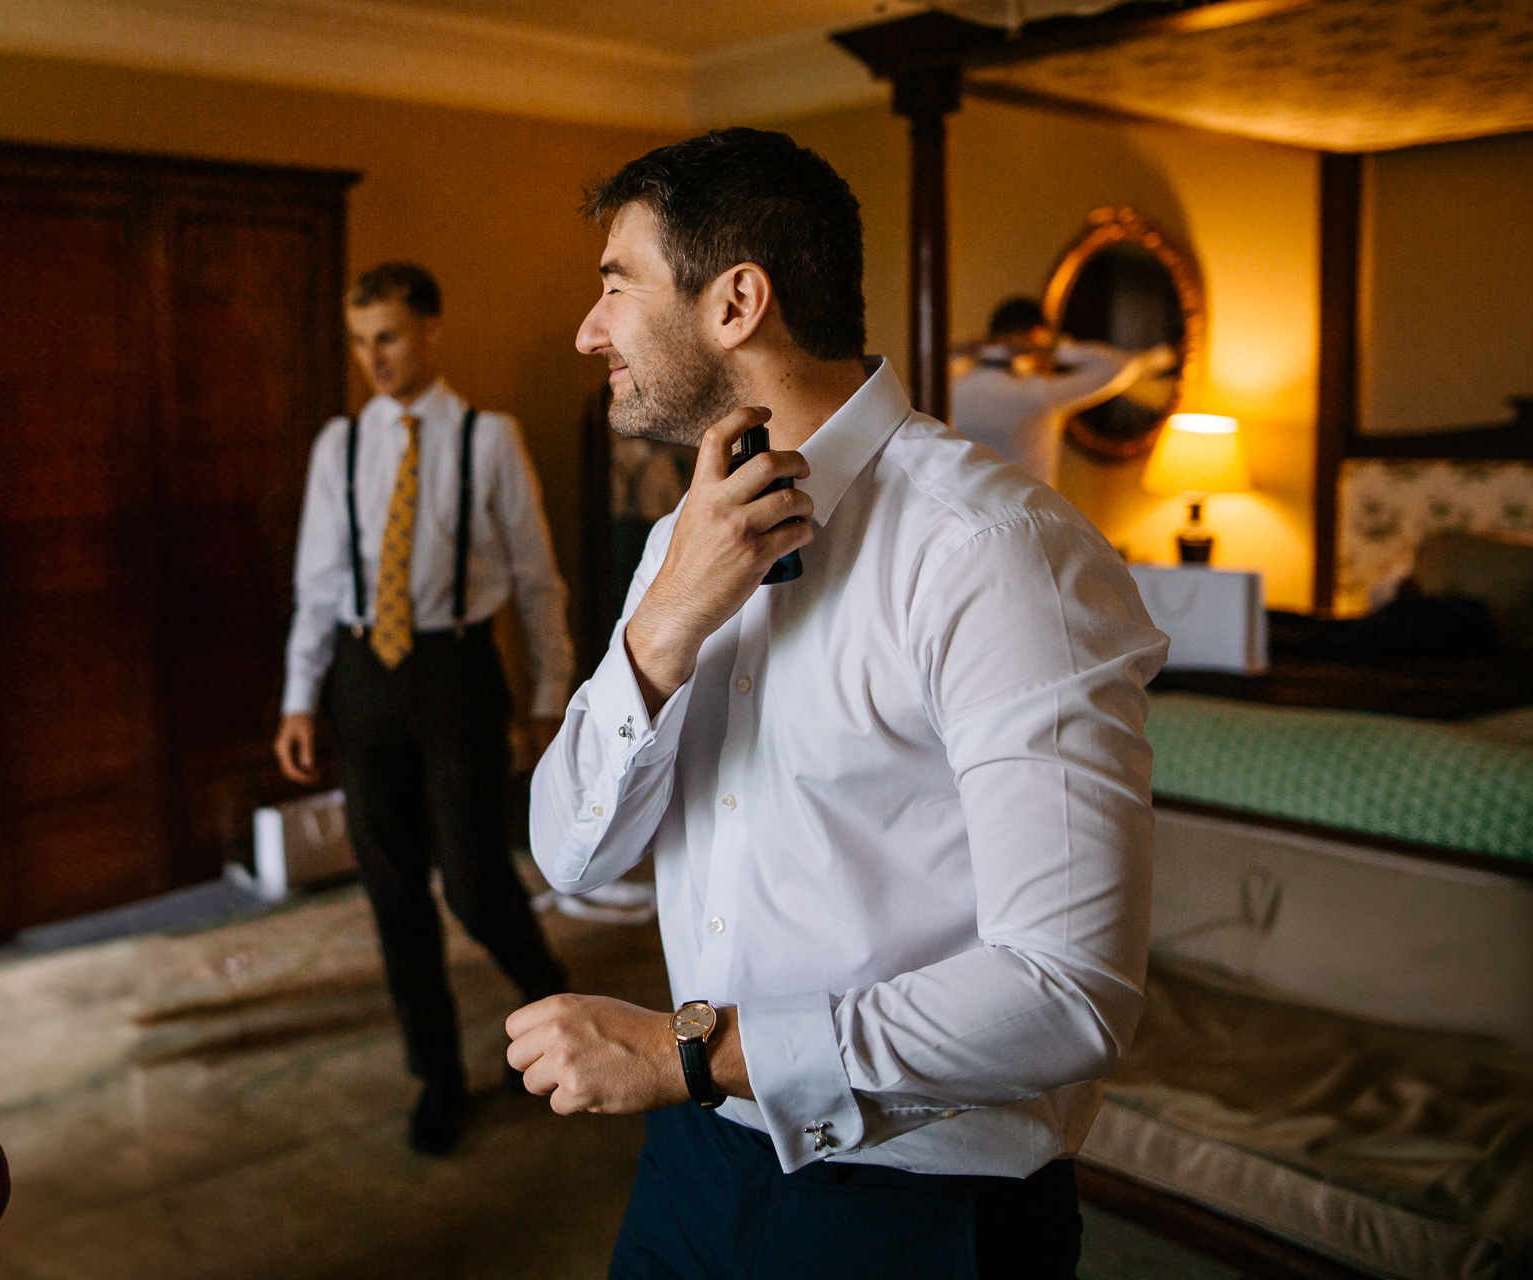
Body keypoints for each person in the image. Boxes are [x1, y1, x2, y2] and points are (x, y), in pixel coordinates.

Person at [506, 130, 1169, 1276]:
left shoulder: (994, 551)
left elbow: (1067, 991)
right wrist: (664, 627)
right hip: (694, 1166)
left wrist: (689, 1050)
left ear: (738, 301)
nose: (589, 329)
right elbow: (571, 852)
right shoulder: (680, 539)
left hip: (923, 1208)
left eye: (615, 285)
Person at [276, 262, 572, 1155]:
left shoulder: (489, 438)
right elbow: (319, 587)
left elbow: (535, 579)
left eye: (390, 337)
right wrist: (299, 699)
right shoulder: (341, 446)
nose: (374, 357)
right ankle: (437, 1077)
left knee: (477, 882)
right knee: (393, 893)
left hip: (456, 674)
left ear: (431, 332)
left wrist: (551, 695)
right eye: (361, 340)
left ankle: (555, 1005)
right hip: (364, 682)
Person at [951, 296, 1175, 486]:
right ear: (1033, 338)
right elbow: (1122, 367)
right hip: (1030, 522)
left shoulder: (952, 385)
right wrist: (1053, 349)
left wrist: (960, 348)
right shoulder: (1038, 393)